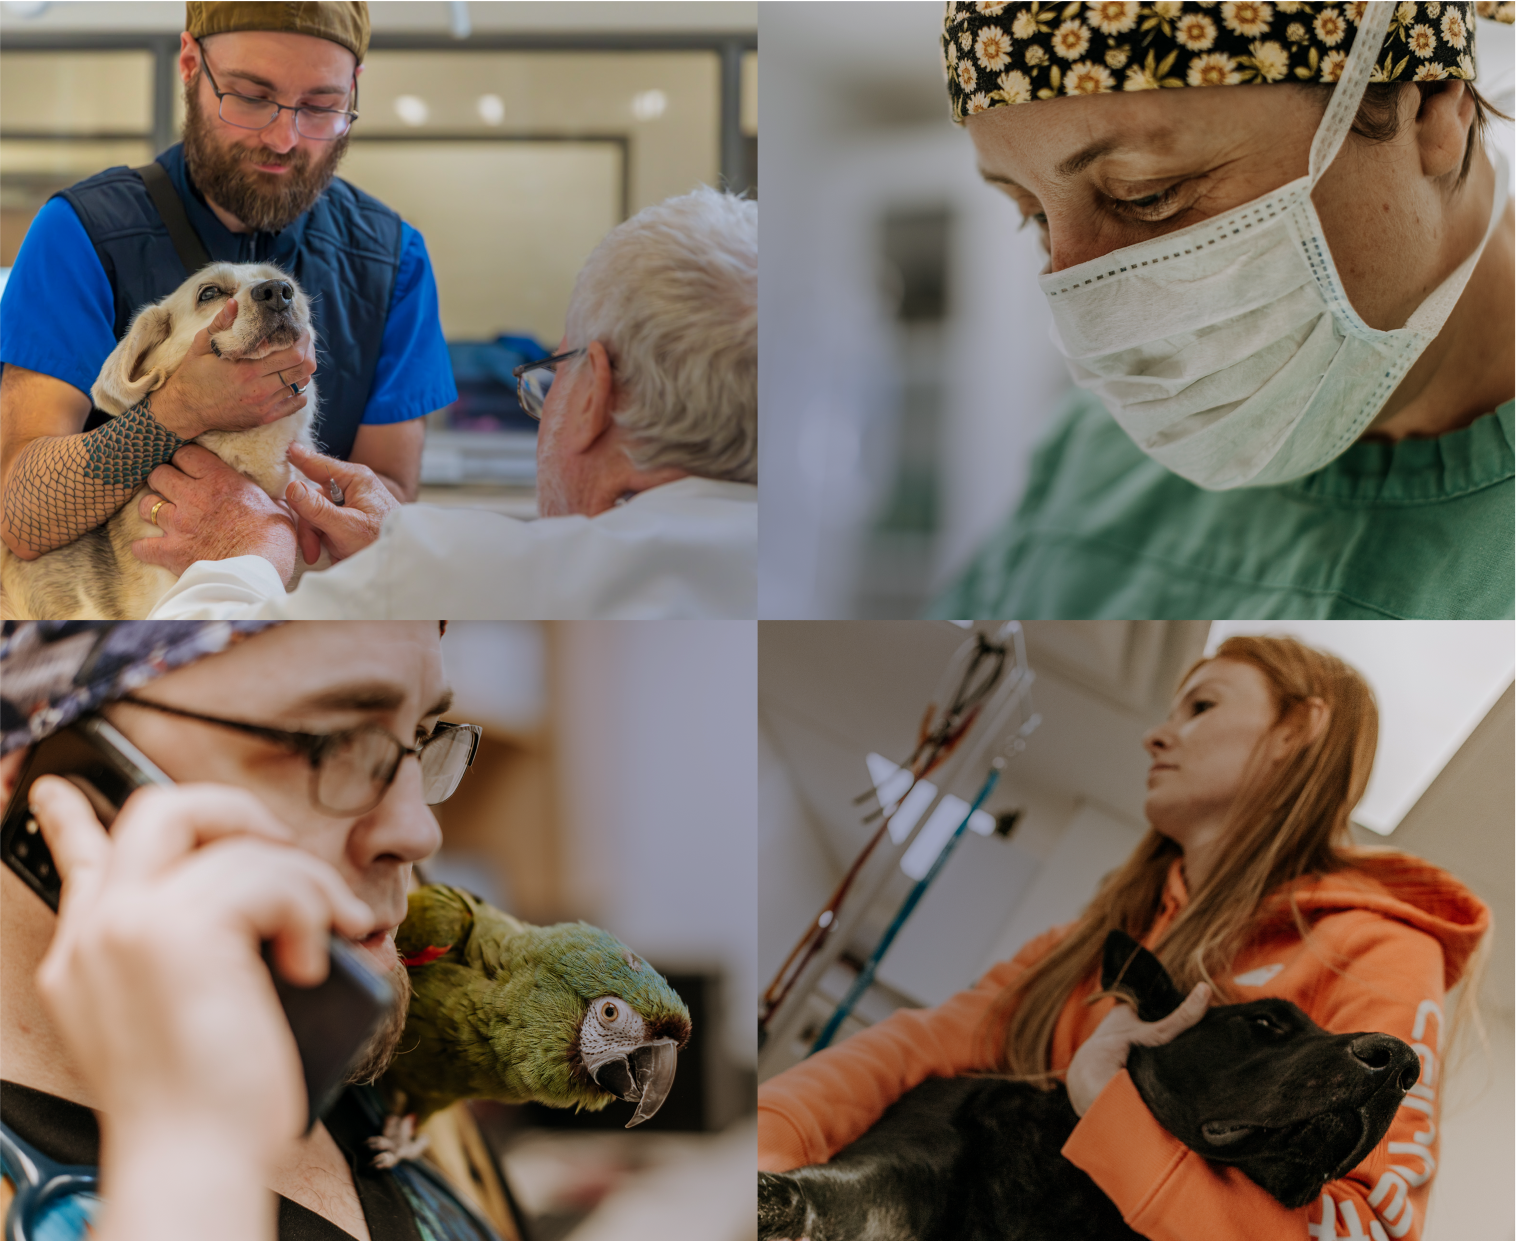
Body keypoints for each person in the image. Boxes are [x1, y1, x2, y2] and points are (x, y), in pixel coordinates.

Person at [758, 636, 1489, 1239]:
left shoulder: (1381, 948)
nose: (1156, 732)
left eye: (1202, 705)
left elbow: (1369, 1228)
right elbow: (918, 1046)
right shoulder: (1086, 941)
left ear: (1298, 730)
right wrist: (764, 1145)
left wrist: (1108, 1111)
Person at [922, 0, 1516, 619]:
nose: (1086, 306)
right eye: (1034, 217)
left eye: (1149, 195)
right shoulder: (1105, 444)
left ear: (1431, 103)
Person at [0, 620, 506, 1241]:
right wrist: (191, 1154)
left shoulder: (368, 1043)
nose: (419, 832)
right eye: (328, 742)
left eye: (421, 735)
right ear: (36, 759)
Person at [130, 187, 758, 619]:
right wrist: (403, 546)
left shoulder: (480, 575)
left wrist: (240, 552)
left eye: (555, 373)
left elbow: (199, 662)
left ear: (593, 394)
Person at [0, 2, 452, 568]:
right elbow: (20, 516)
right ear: (190, 64)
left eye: (321, 106)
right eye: (252, 96)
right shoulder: (83, 234)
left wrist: (265, 533)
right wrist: (176, 412)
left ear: (354, 90)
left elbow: (389, 498)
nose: (284, 138)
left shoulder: (392, 259)